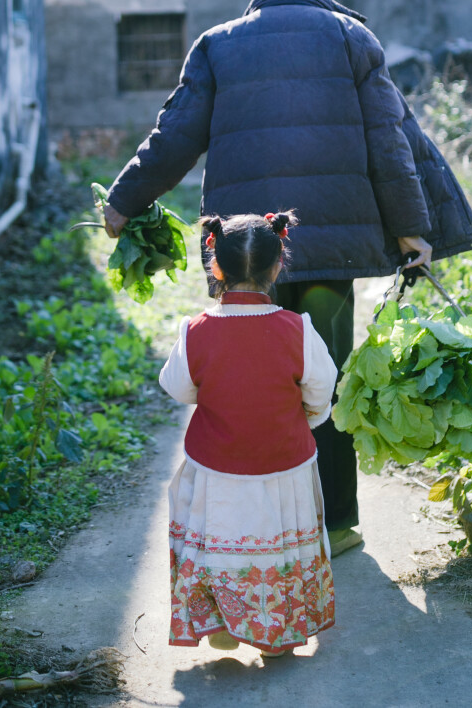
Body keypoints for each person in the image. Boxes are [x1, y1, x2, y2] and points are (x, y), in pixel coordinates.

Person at [106, 0, 472, 555]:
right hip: (332, 252)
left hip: (248, 255)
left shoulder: (217, 45)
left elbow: (174, 137)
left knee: (252, 380)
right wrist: (412, 230)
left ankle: (260, 526)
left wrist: (123, 200)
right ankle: (335, 524)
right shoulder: (350, 37)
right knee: (323, 381)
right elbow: (389, 143)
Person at [158, 210, 337, 655]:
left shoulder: (195, 331)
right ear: (278, 266)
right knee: (278, 547)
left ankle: (221, 619)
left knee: (220, 542)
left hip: (216, 467)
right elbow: (321, 388)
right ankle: (275, 636)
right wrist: (304, 420)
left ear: (214, 266)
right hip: (284, 464)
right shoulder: (298, 329)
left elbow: (178, 387)